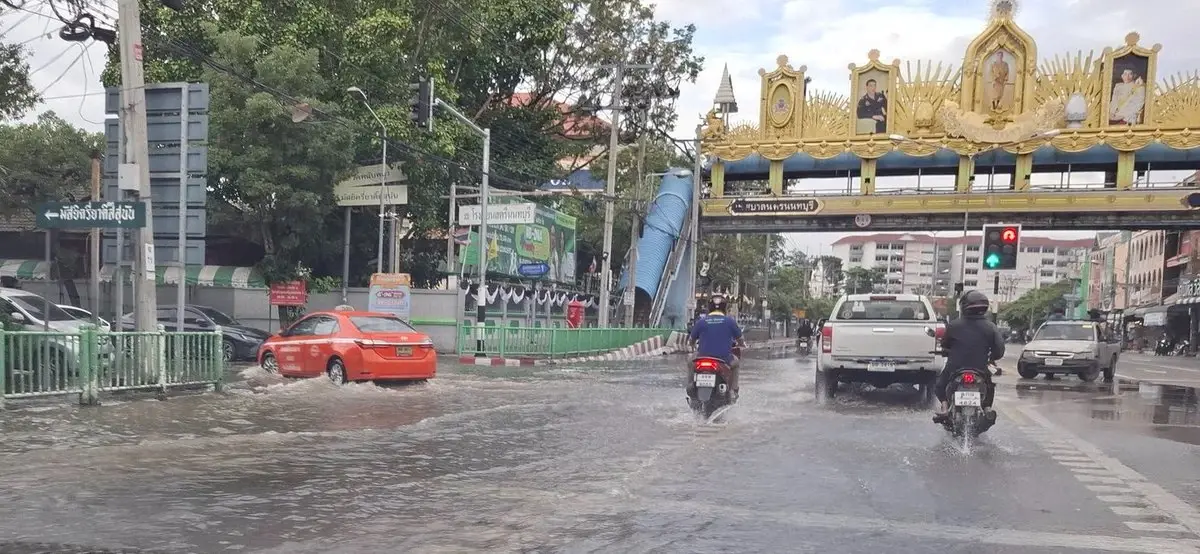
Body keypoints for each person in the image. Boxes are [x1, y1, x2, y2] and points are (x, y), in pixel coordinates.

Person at [933, 290, 1005, 425]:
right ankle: (987, 408)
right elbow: (999, 350)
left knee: (939, 386)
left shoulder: (954, 325)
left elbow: (944, 344)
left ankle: (944, 408)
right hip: (980, 368)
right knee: (989, 387)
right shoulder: (991, 326)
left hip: (955, 367)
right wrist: (991, 357)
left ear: (964, 307)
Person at [688, 295, 747, 399]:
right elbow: (740, 339)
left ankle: (690, 385)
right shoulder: (730, 321)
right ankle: (733, 390)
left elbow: (691, 340)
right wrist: (742, 344)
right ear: (725, 308)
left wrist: (692, 347)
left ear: (709, 308)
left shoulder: (701, 322)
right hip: (723, 359)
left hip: (702, 357)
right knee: (736, 362)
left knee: (690, 360)